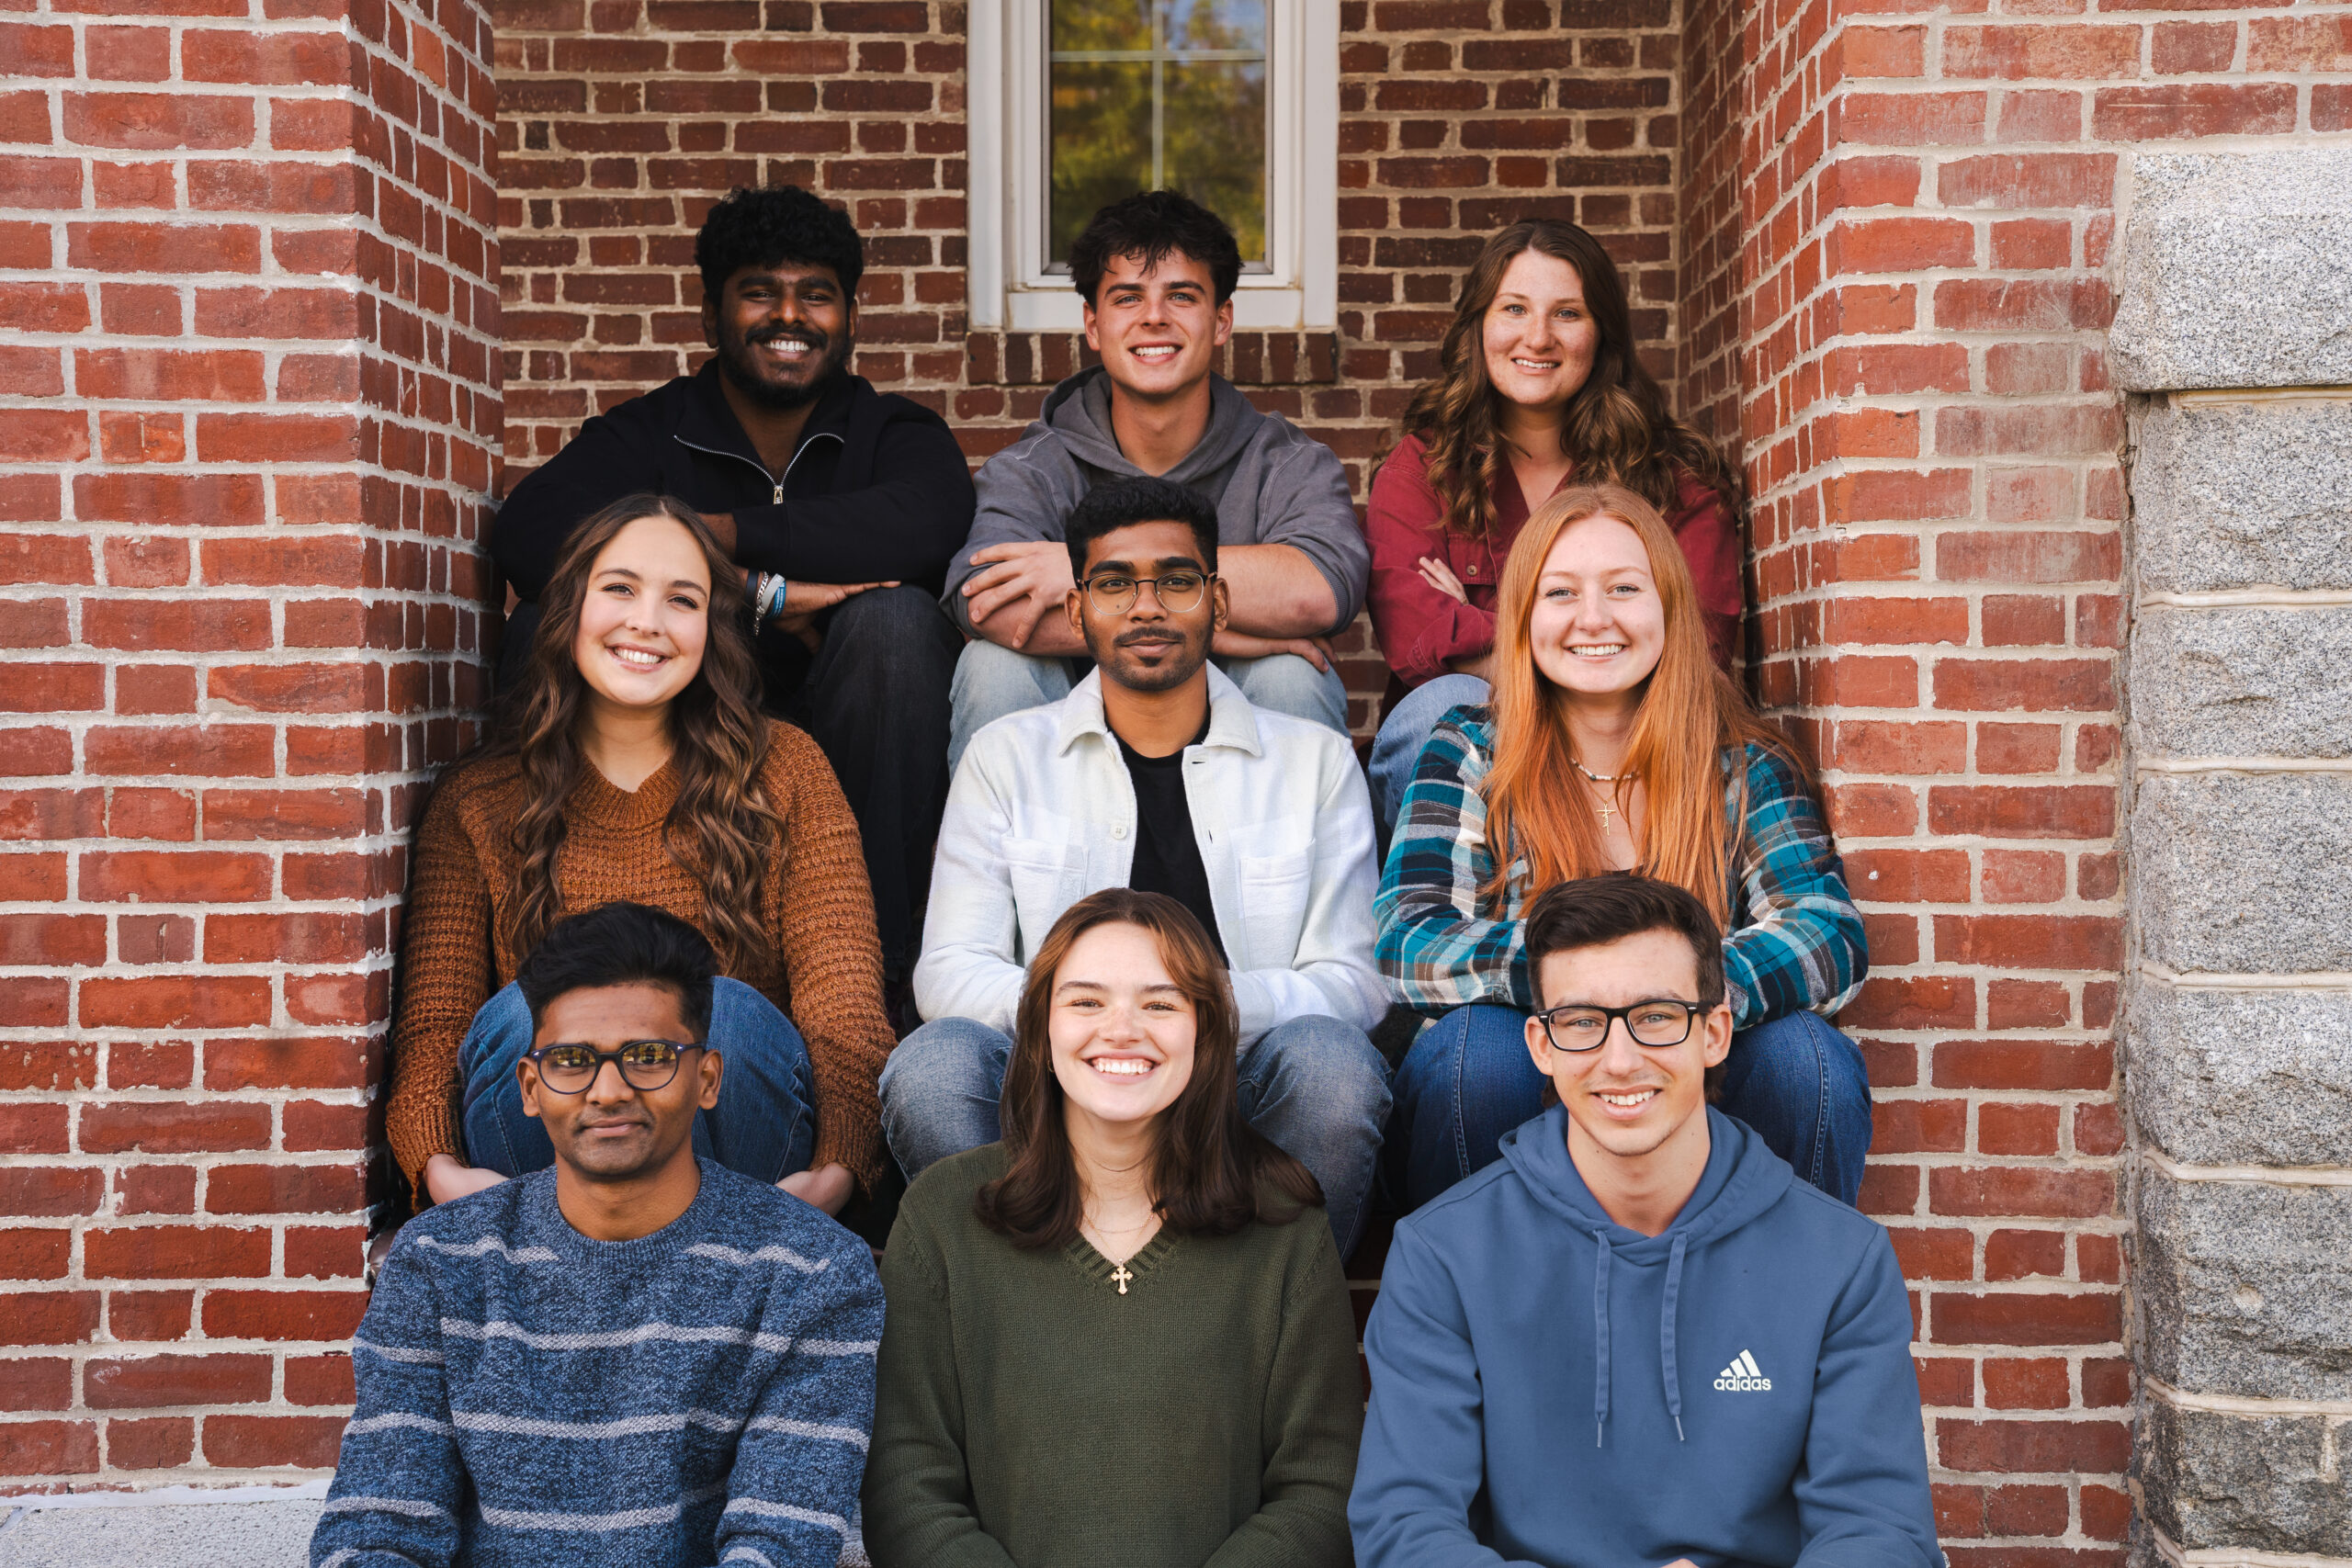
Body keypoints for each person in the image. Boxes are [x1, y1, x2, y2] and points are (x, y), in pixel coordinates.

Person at [1350, 875, 1939, 1568]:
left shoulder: (1843, 1257)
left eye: (1656, 1016)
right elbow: (1406, 1530)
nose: (1620, 1058)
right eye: (1581, 1022)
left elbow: (1882, 1534)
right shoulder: (1443, 1253)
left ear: (1715, 1030)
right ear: (1541, 1044)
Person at [888, 476, 1392, 1256]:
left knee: (1333, 1068)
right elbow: (948, 972)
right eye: (1116, 583)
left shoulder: (1315, 762)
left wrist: (1193, 1007)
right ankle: (1020, 1308)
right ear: (1077, 608)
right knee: (934, 1066)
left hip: (1237, 1085)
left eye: (1177, 580)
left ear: (1218, 605)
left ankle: (1274, 1314)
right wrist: (1097, 1018)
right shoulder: (1006, 756)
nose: (1147, 605)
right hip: (1056, 1092)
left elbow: (1353, 981)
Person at [489, 184, 975, 978]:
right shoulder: (650, 429)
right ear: (712, 316)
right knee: (544, 616)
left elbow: (928, 524)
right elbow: (530, 533)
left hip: (851, 719)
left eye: (816, 295)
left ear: (851, 316)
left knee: (895, 626)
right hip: (676, 706)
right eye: (760, 292)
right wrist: (753, 592)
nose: (790, 316)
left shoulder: (895, 433)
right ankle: (546, 952)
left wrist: (707, 531)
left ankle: (881, 972)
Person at [312, 900, 884, 1568]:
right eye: (573, 1059)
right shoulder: (440, 1264)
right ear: (530, 1086)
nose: (608, 1090)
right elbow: (379, 1530)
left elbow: (779, 1545)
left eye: (647, 1056)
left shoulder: (811, 1272)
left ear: (707, 1078)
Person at [389, 494, 897, 1220]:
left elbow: (843, 1012)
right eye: (620, 587)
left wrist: (838, 1170)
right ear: (570, 607)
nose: (647, 622)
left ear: (711, 628)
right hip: (544, 1169)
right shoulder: (482, 799)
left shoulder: (787, 772)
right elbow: (436, 1025)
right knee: (516, 1018)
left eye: (681, 600)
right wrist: (436, 1169)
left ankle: (702, 1251)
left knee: (722, 1011)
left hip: (739, 1162)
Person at [1378, 482, 1871, 1209]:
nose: (1594, 619)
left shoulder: (1740, 763)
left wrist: (1671, 1005)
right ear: (1523, 616)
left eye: (1623, 588)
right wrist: (1580, 998)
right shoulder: (1469, 754)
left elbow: (1828, 931)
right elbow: (1409, 937)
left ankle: (1770, 1308)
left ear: (1668, 607)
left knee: (1807, 1060)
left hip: (1698, 1084)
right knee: (1472, 1057)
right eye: (1561, 593)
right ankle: (1486, 1308)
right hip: (1535, 1070)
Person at [864, 889, 1363, 1568]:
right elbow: (905, 1485)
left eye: (1160, 1002)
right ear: (1039, 1032)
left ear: (1206, 1032)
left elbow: (1321, 1486)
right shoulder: (942, 1217)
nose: (1122, 1028)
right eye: (1086, 1001)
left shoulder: (1284, 1224)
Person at [943, 189, 1369, 765]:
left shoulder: (1288, 462)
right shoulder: (1035, 465)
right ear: (1093, 325)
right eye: (1127, 297)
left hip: (1230, 737)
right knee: (992, 668)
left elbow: (1321, 588)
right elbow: (985, 604)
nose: (1154, 317)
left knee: (1292, 676)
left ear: (1221, 321)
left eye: (1182, 295)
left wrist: (1076, 579)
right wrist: (1216, 629)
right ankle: (1006, 856)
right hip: (1073, 742)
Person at [1364, 218, 1746, 830]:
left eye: (1566, 313)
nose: (1537, 337)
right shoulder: (1423, 470)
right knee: (1442, 704)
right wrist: (1603, 651)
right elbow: (1418, 638)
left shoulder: (1673, 480)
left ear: (1601, 333)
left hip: (1628, 742)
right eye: (1514, 308)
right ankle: (1442, 911)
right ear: (1479, 326)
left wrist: (1487, 630)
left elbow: (1699, 649)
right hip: (1468, 754)